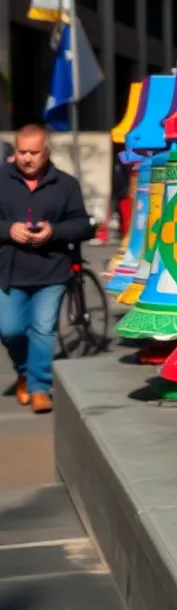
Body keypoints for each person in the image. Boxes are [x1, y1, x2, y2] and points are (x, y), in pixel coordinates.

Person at [0, 124, 95, 412]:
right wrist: (8, 229)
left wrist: (54, 231)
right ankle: (24, 372)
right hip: (8, 271)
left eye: (34, 152)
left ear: (47, 152)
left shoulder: (66, 184)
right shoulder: (2, 180)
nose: (27, 158)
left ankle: (40, 387)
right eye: (22, 152)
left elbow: (82, 225)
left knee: (43, 330)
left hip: (51, 270)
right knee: (10, 330)